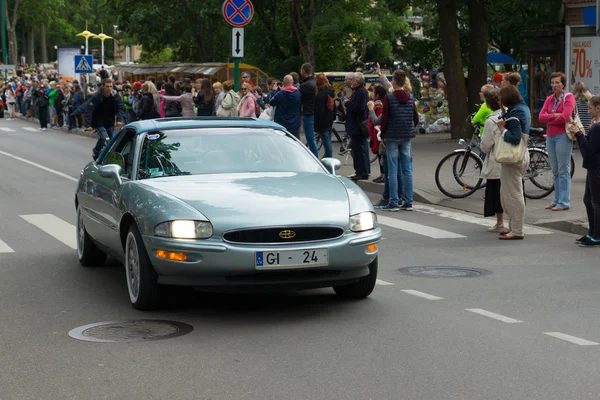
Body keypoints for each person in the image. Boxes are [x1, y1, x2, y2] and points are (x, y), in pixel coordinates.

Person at [380, 69, 419, 211]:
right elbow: (416, 118)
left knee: (393, 169)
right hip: (406, 136)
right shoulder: (410, 97)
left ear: (394, 81)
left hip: (392, 136)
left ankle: (394, 201)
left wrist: (383, 135)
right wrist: (409, 128)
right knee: (407, 169)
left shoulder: (389, 98)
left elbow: (384, 119)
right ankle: (408, 201)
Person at [496, 85, 531, 240]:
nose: (498, 100)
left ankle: (517, 230)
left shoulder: (516, 112)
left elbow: (515, 138)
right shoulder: (521, 108)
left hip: (513, 157)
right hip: (520, 155)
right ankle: (514, 227)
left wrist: (503, 129)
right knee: (510, 192)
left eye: (500, 97)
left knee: (513, 194)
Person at [538, 72, 574, 211]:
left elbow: (565, 117)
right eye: (552, 82)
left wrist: (550, 118)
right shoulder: (549, 99)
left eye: (557, 82)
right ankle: (557, 199)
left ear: (563, 84)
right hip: (551, 136)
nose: (554, 85)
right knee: (555, 170)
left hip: (563, 136)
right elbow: (541, 117)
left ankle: (564, 202)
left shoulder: (568, 97)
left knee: (563, 169)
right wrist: (554, 115)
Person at [568, 95, 600, 247]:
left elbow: (588, 150)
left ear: (598, 108)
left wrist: (579, 134)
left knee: (596, 202)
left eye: (590, 108)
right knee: (588, 200)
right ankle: (592, 232)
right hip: (593, 167)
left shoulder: (598, 127)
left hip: (596, 168)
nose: (588, 111)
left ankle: (597, 235)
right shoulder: (596, 126)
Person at [74, 78, 126, 160]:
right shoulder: (97, 96)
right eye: (107, 86)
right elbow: (89, 110)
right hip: (98, 120)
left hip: (110, 119)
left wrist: (119, 120)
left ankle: (109, 156)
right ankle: (97, 150)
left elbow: (120, 107)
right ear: (103, 87)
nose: (109, 88)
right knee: (105, 138)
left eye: (111, 86)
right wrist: (88, 125)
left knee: (112, 140)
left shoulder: (114, 95)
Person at [480, 87, 504, 232]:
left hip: (497, 160)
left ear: (488, 104)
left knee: (496, 191)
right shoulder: (508, 115)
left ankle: (500, 222)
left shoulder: (491, 121)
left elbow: (485, 145)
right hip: (511, 159)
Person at [344, 72, 370, 180]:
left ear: (358, 81)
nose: (351, 82)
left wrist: (347, 103)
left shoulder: (361, 92)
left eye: (353, 80)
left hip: (358, 126)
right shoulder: (358, 91)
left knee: (359, 150)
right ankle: (359, 171)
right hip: (355, 125)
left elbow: (359, 108)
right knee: (357, 150)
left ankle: (361, 172)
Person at [314, 73, 336, 158]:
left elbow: (318, 110)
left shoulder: (320, 95)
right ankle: (326, 160)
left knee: (327, 144)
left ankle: (328, 162)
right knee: (328, 142)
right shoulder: (330, 92)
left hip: (322, 122)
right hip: (329, 119)